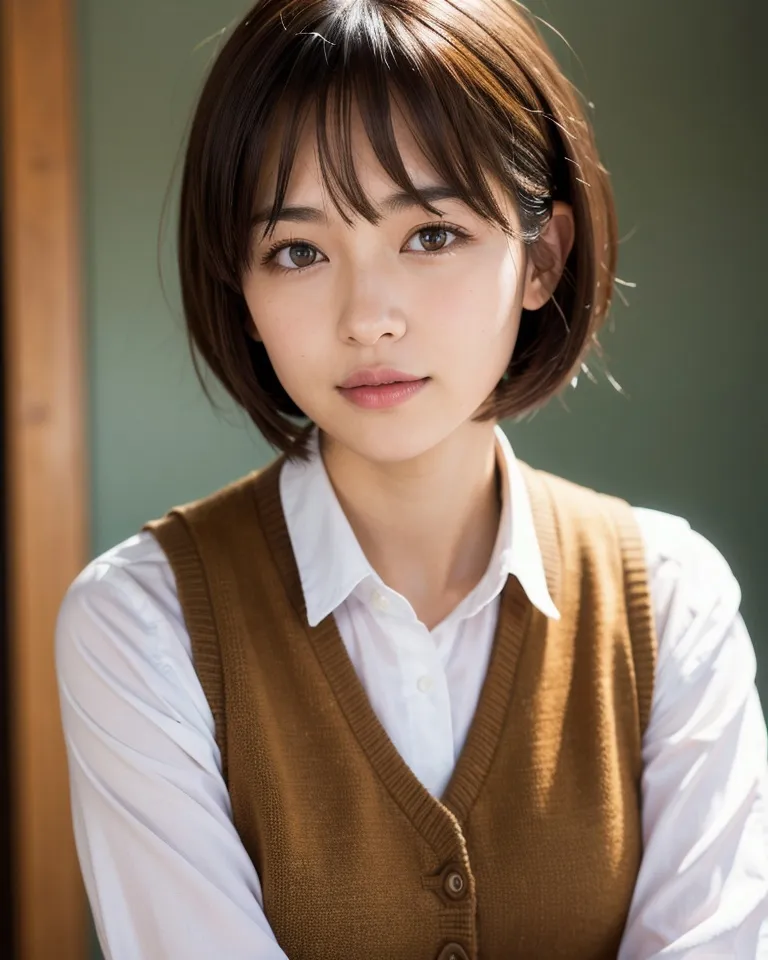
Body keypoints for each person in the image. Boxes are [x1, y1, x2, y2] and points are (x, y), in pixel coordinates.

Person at [55, 1, 768, 958]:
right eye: (298, 250)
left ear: (541, 258)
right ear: (244, 289)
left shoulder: (671, 601)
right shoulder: (143, 624)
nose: (368, 317)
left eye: (431, 234)